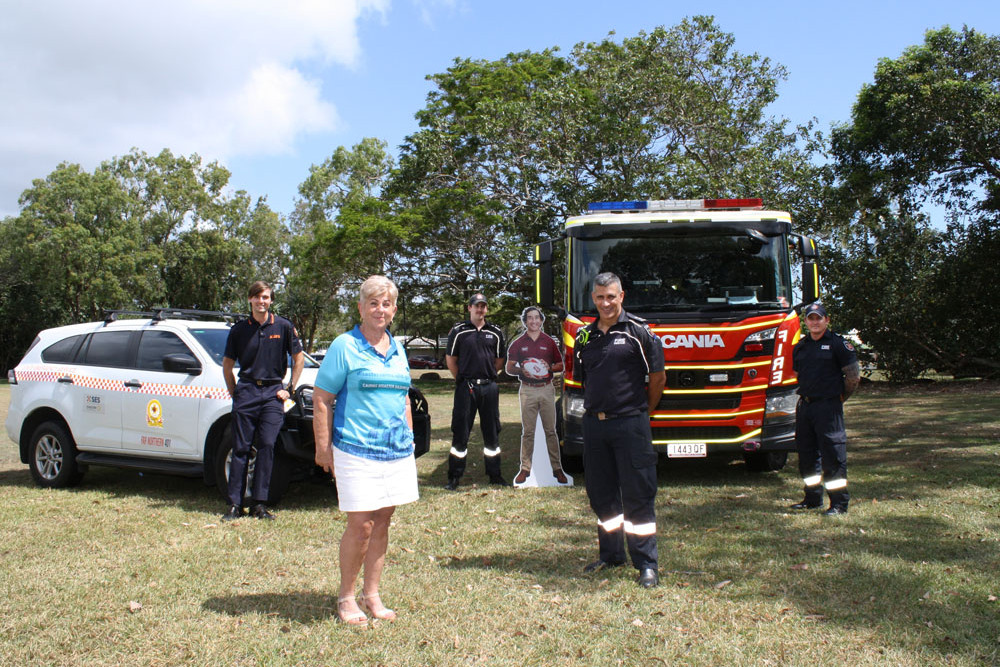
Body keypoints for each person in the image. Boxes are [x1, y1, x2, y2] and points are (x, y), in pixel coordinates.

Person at [312, 275, 418, 626]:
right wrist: (323, 448)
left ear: (394, 310)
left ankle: (371, 594)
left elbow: (403, 396)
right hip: (355, 449)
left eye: (386, 303)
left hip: (396, 451)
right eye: (373, 303)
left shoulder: (399, 348)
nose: (380, 309)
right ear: (360, 307)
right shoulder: (344, 345)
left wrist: (410, 439)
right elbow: (323, 399)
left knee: (384, 520)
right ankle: (346, 597)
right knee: (362, 525)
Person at [573, 272, 666, 589]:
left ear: (621, 296)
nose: (605, 303)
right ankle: (611, 555)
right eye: (600, 297)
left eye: (611, 296)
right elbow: (586, 379)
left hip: (630, 424)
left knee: (638, 494)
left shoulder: (640, 331)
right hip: (595, 426)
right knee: (601, 494)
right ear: (594, 298)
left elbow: (657, 378)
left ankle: (647, 564)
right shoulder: (584, 337)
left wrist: (640, 413)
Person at [220, 281, 304, 522]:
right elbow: (227, 365)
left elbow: (298, 360)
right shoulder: (238, 330)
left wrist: (289, 388)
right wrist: (234, 390)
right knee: (241, 448)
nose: (261, 301)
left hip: (272, 395)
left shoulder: (284, 326)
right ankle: (235, 504)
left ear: (271, 300)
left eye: (266, 297)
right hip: (246, 391)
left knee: (267, 445)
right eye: (257, 297)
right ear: (250, 300)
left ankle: (259, 504)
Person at [790, 302, 860, 516]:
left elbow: (853, 377)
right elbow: (797, 375)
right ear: (806, 322)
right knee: (807, 455)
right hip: (806, 406)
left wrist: (838, 399)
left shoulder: (839, 344)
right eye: (810, 318)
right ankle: (812, 498)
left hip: (828, 407)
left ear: (826, 320)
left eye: (818, 318)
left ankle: (839, 503)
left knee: (833, 454)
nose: (814, 322)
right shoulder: (801, 347)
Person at [444, 293, 508, 489]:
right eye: (476, 306)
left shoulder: (495, 332)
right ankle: (454, 476)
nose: (480, 309)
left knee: (492, 432)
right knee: (461, 431)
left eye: (483, 306)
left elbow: (499, 361)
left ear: (486, 309)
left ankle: (494, 474)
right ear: (469, 308)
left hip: (489, 388)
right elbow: (451, 360)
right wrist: (463, 379)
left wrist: (487, 376)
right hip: (466, 388)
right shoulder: (459, 331)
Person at [505, 306, 567, 485]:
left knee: (551, 431)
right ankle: (525, 469)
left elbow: (560, 366)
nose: (533, 321)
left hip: (546, 389)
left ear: (541, 320)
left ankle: (557, 469)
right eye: (529, 318)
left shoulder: (549, 342)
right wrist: (522, 370)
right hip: (527, 390)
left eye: (536, 318)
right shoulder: (518, 343)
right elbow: (509, 368)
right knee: (528, 432)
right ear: (525, 322)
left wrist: (548, 367)